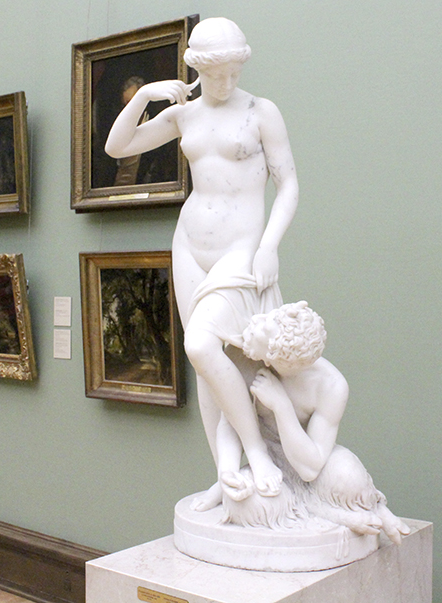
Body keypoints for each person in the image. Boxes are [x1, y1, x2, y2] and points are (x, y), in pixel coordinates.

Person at [106, 17, 299, 499]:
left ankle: (257, 453)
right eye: (216, 74)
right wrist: (145, 95)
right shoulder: (184, 116)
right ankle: (225, 476)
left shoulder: (261, 112)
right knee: (206, 366)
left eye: (234, 72)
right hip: (190, 246)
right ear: (196, 69)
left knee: (213, 349)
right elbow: (117, 146)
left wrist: (269, 246)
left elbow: (289, 185)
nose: (227, 82)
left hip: (240, 248)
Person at [210, 301, 409, 544]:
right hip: (265, 464)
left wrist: (281, 405)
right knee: (246, 503)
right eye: (268, 318)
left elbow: (310, 468)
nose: (255, 320)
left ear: (274, 358)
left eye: (264, 327)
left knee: (349, 474)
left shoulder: (331, 386)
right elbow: (230, 422)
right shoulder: (241, 356)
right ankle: (332, 514)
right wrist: (227, 469)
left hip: (307, 460)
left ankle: (364, 507)